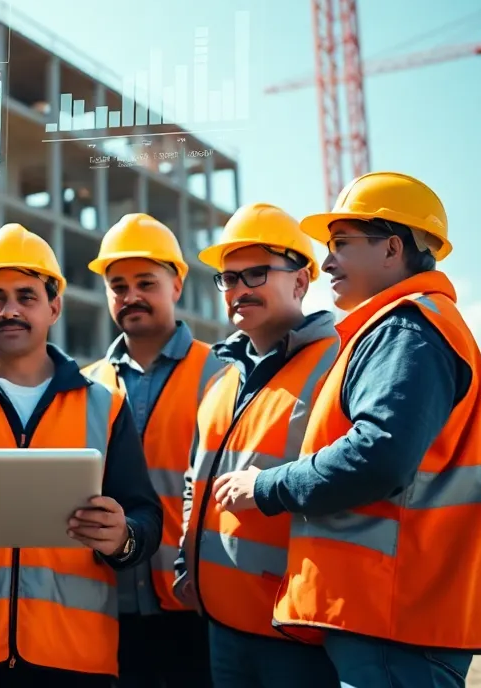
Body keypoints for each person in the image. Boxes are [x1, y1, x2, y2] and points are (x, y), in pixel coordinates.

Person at [214, 172, 481, 687]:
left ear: (393, 247)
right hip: (389, 615)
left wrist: (266, 485)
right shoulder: (405, 327)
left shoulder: (407, 329)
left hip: (395, 617)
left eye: (341, 244)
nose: (325, 262)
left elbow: (378, 455)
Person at [0, 223, 164, 688]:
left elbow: (146, 519)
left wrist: (122, 536)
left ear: (54, 307)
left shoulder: (105, 405)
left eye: (27, 296)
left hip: (77, 659)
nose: (11, 310)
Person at [175, 203, 340, 688]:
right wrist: (187, 565)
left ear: (301, 281)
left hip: (297, 632)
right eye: (227, 279)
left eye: (255, 274)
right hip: (223, 621)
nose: (238, 289)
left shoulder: (338, 364)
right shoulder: (224, 379)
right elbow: (195, 483)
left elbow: (351, 479)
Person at [81, 213, 219, 687]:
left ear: (176, 284)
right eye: (117, 285)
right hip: (107, 603)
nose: (131, 295)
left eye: (146, 282)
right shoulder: (84, 386)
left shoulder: (221, 373)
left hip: (195, 604)